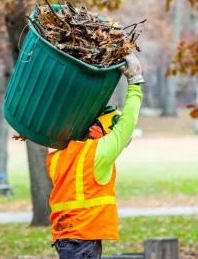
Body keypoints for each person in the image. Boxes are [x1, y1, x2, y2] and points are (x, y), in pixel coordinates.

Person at [46, 53, 144, 259]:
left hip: (64, 237)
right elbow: (127, 124)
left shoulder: (57, 157)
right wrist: (135, 82)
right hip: (83, 238)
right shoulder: (98, 154)